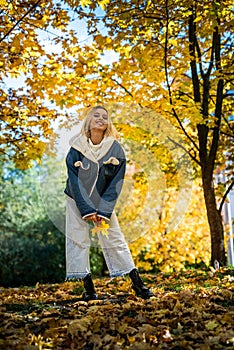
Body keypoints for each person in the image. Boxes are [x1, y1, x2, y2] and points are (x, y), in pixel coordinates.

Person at [64, 106, 153, 300]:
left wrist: (103, 210)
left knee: (115, 237)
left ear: (108, 124)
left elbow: (115, 184)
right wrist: (86, 209)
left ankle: (137, 283)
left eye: (105, 116)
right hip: (75, 197)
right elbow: (74, 180)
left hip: (102, 199)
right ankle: (88, 288)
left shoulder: (115, 149)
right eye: (96, 115)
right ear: (88, 121)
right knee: (77, 238)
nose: (100, 118)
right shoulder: (75, 148)